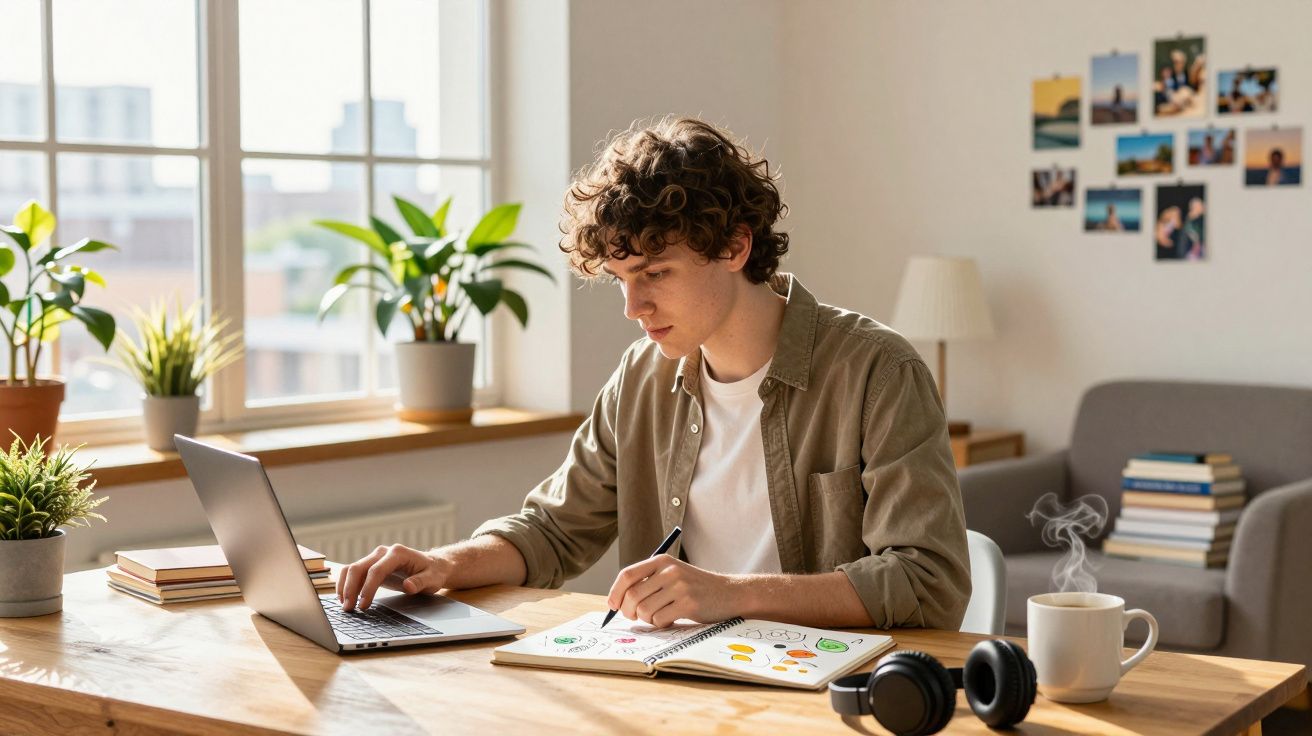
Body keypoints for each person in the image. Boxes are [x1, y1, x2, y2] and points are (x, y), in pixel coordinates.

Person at [336, 117, 972, 631]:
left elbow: (928, 581)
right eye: (620, 279)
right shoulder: (642, 376)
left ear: (734, 247)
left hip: (827, 694)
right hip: (674, 683)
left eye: (655, 274)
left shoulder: (878, 371)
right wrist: (440, 564)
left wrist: (730, 595)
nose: (633, 308)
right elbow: (553, 531)